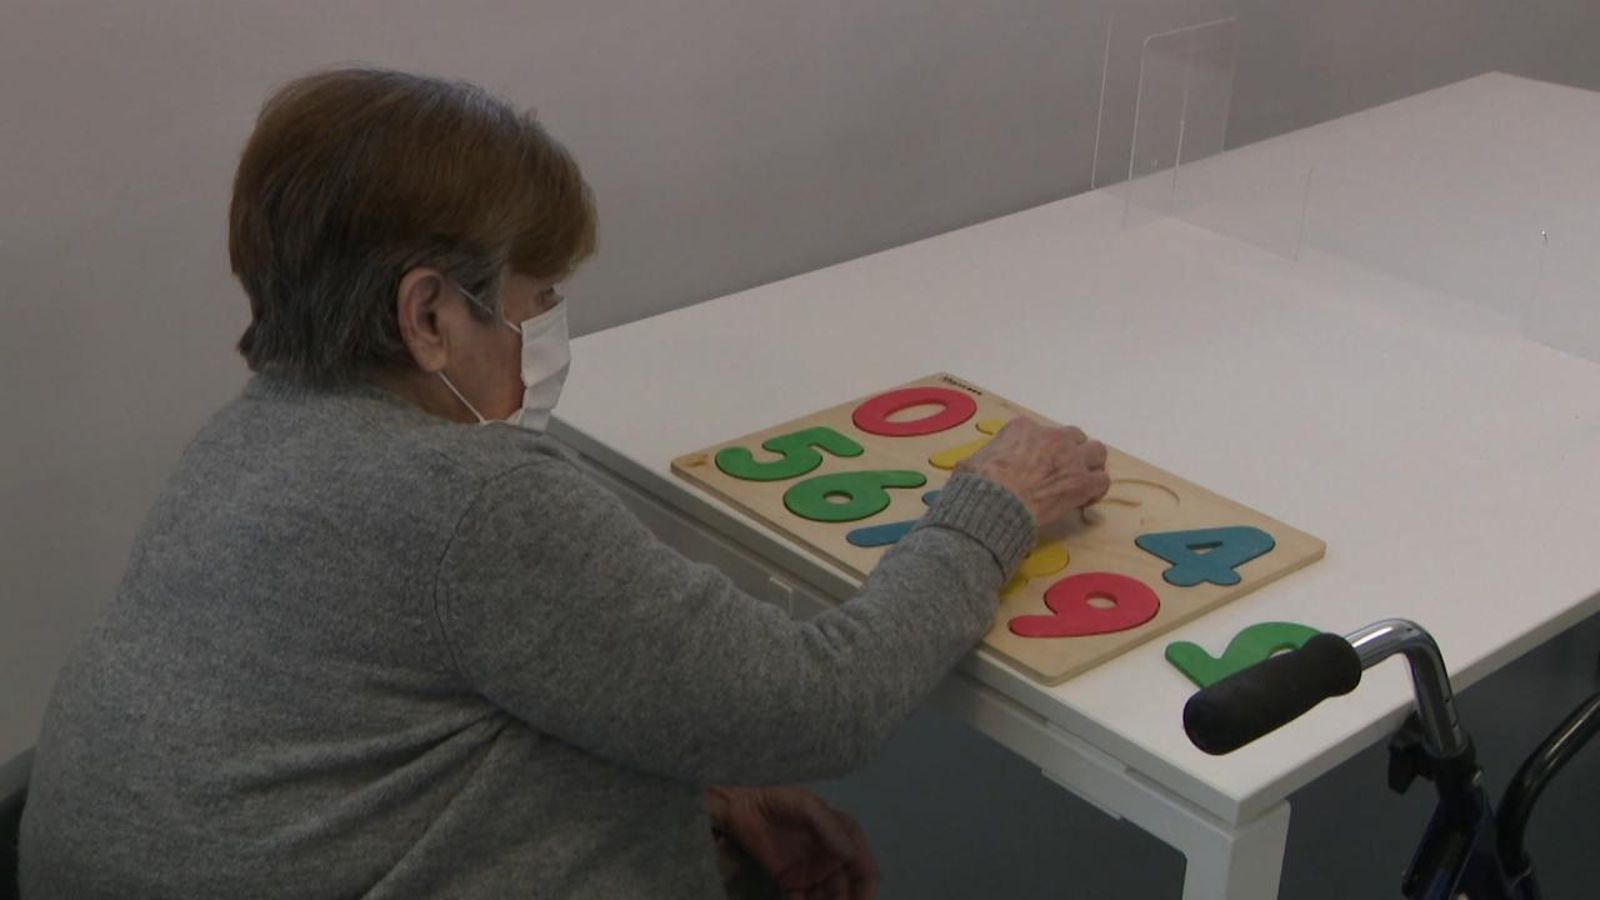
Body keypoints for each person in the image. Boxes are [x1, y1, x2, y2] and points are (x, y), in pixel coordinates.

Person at [18, 68, 1110, 899]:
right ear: (431, 314)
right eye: (538, 293)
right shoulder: (471, 501)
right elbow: (819, 704)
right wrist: (994, 504)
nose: (547, 325)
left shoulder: (247, 438)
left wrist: (701, 789)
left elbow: (408, 720)